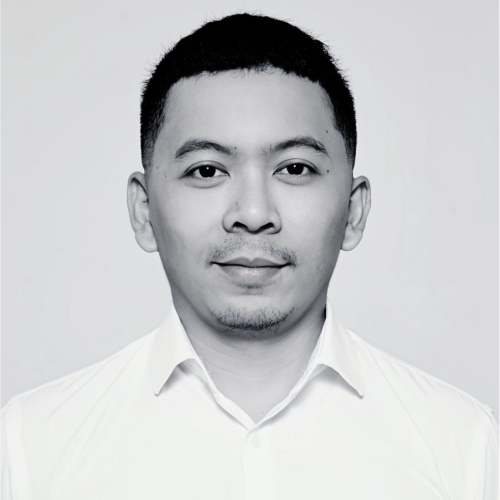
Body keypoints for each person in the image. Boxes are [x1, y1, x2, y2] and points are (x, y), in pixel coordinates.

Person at [1, 12, 498, 499]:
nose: (254, 213)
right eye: (206, 171)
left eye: (295, 168)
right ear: (143, 210)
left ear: (354, 210)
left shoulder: (465, 447)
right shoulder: (30, 448)